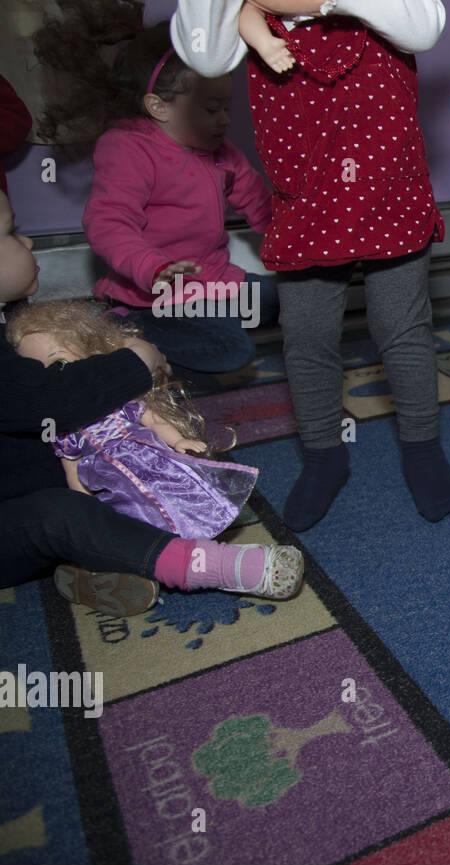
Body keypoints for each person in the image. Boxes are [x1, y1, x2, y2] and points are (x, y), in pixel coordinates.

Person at [172, 0, 450, 532]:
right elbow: (206, 57)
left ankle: (422, 446)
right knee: (306, 339)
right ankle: (325, 455)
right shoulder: (247, 16)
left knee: (402, 330)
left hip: (388, 191)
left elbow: (424, 28)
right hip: (307, 199)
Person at [0, 191, 302, 615]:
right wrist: (137, 361)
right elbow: (54, 401)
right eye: (11, 232)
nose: (28, 242)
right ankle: (197, 566)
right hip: (26, 517)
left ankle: (97, 562)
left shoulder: (15, 323)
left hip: (81, 483)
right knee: (61, 515)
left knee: (128, 487)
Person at [33, 10, 276, 375]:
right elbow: (108, 223)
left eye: (226, 107)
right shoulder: (128, 147)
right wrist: (153, 268)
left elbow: (259, 202)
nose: (224, 119)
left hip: (213, 281)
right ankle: (127, 324)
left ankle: (205, 321)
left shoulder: (221, 151)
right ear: (157, 107)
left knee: (288, 301)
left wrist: (294, 238)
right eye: (212, 109)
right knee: (232, 351)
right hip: (154, 294)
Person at [6, 302, 259, 541]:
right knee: (132, 518)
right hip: (111, 484)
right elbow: (70, 469)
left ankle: (194, 532)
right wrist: (84, 503)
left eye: (58, 363)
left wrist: (179, 440)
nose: (54, 378)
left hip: (151, 461)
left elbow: (153, 419)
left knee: (179, 496)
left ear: (88, 350)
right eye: (39, 374)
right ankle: (157, 548)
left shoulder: (119, 404)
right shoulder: (66, 434)